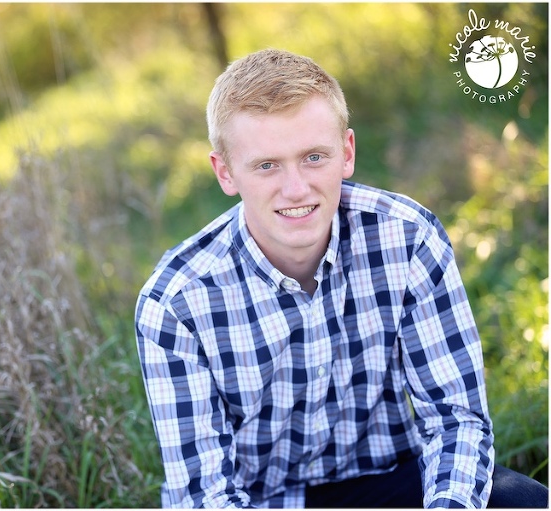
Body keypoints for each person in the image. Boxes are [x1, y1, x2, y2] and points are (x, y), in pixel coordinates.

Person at [134, 49, 548, 508]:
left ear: (347, 152)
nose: (296, 189)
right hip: (259, 501)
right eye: (267, 165)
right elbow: (204, 495)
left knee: (521, 500)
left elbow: (456, 422)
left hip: (396, 480)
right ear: (226, 172)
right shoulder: (176, 302)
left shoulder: (406, 239)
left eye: (314, 157)